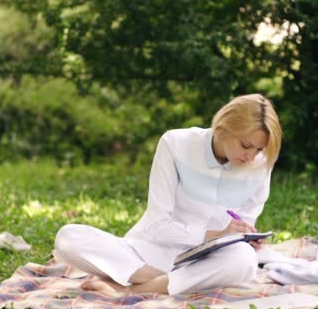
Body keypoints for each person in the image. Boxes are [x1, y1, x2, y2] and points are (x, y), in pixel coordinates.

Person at [54, 93, 282, 295]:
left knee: (245, 260)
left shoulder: (261, 164)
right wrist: (213, 234)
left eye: (259, 149)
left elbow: (243, 225)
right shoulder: (176, 144)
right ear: (222, 128)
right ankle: (162, 281)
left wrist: (248, 237)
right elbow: (156, 225)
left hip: (206, 260)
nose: (252, 156)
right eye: (245, 145)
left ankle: (129, 289)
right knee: (68, 236)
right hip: (148, 253)